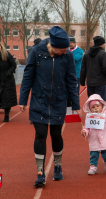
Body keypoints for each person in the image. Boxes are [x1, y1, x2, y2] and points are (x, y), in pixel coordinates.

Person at [19, 26, 80, 187]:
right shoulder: (36, 52)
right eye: (62, 49)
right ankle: (40, 172)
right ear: (53, 46)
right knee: (40, 134)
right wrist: (23, 99)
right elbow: (28, 76)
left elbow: (72, 79)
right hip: (39, 100)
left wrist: (76, 103)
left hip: (58, 101)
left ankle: (58, 166)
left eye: (67, 49)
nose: (65, 52)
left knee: (56, 134)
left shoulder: (67, 56)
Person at [81, 94, 106, 175]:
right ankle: (93, 166)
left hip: (105, 140)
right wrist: (84, 132)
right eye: (93, 107)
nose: (95, 109)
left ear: (102, 106)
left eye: (97, 106)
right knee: (94, 155)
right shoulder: (89, 117)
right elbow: (86, 128)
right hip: (94, 140)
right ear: (90, 109)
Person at [80, 36, 106, 101]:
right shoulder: (103, 54)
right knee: (101, 104)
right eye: (104, 43)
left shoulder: (87, 54)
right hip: (101, 83)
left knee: (92, 104)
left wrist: (82, 81)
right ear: (101, 44)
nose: (105, 45)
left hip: (90, 83)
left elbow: (83, 68)